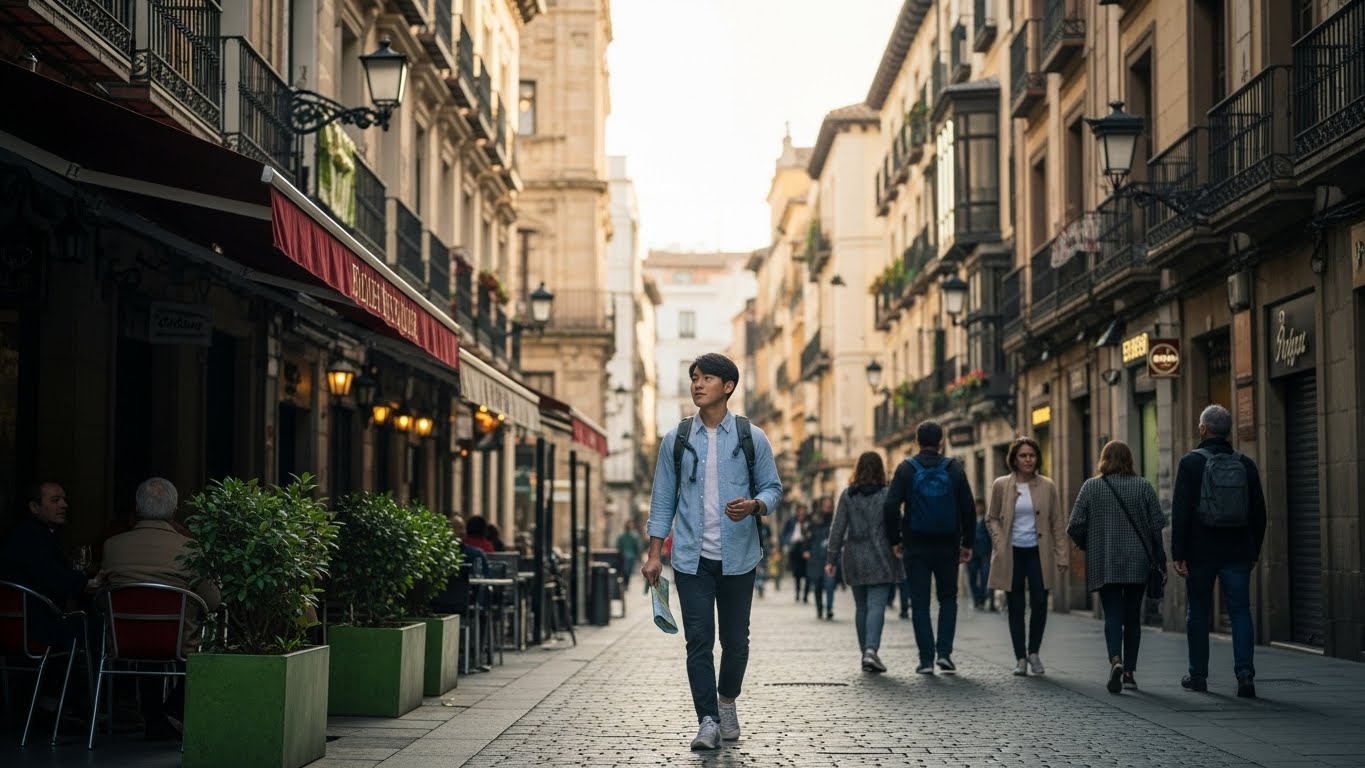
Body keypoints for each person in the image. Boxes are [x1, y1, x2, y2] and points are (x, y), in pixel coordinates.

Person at [642, 353, 782, 751]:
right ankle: (707, 720)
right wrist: (654, 554)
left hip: (739, 557)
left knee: (736, 642)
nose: (697, 384)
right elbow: (663, 499)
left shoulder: (751, 437)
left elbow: (773, 488)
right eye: (694, 378)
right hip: (690, 558)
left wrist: (755, 505)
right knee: (699, 640)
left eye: (706, 378)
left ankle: (727, 701)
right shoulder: (677, 439)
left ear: (728, 386)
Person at [101, 477, 222, 739]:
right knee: (205, 639)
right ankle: (172, 710)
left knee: (145, 626)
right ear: (175, 510)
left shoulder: (112, 547)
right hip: (177, 644)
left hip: (124, 642)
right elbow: (213, 601)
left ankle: (153, 714)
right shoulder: (191, 549)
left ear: (136, 507)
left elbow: (100, 594)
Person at [1172, 404, 1266, 698]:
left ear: (1203, 429)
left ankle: (1198, 676)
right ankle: (1245, 675)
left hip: (1200, 553)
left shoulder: (1190, 463)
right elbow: (1260, 513)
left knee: (1198, 612)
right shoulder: (1246, 463)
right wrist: (1253, 550)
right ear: (1228, 431)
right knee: (1240, 612)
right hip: (1238, 551)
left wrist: (1179, 552)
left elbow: (1181, 512)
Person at [1067, 441, 1166, 694]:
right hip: (1137, 561)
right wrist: (1160, 557)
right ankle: (1130, 673)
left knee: (1112, 614)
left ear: (1103, 459)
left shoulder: (1091, 487)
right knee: (1133, 618)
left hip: (1105, 561)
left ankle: (1115, 661)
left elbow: (1074, 525)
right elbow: (1157, 525)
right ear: (1130, 460)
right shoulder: (1143, 486)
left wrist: (1088, 543)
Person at [883, 420, 975, 675]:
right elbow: (967, 507)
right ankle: (944, 654)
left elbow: (890, 507)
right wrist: (967, 543)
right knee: (948, 599)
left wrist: (895, 540)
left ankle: (925, 660)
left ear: (917, 441)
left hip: (916, 546)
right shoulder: (954, 468)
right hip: (948, 545)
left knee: (920, 603)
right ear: (941, 441)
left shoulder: (906, 469)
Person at [986, 437, 1067, 676]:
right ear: (1014, 459)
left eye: (1032, 455)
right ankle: (1020, 658)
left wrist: (1062, 554)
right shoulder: (1001, 484)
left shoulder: (1048, 486)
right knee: (1015, 605)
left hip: (1038, 552)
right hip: (1012, 552)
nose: (1028, 459)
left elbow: (1057, 522)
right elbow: (992, 518)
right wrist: (1000, 543)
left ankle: (1034, 652)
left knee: (1041, 602)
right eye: (1023, 455)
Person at [824, 452, 901, 673]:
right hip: (882, 555)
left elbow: (837, 529)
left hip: (854, 556)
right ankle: (871, 651)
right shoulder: (888, 494)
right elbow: (896, 524)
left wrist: (831, 558)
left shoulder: (848, 495)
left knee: (862, 607)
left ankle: (866, 653)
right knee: (877, 605)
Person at [805, 501, 834, 620]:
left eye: (829, 506)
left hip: (829, 557)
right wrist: (806, 549)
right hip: (816, 557)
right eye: (825, 505)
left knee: (829, 585)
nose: (827, 508)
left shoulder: (835, 519)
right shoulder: (814, 521)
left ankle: (829, 608)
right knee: (817, 585)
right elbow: (807, 537)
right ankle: (819, 609)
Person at [967, 499, 992, 611]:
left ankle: (982, 599)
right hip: (971, 553)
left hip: (985, 554)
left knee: (985, 577)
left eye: (980, 506)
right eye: (976, 506)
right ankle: (976, 599)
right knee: (972, 577)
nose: (978, 508)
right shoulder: (969, 521)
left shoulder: (987, 521)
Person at [783, 504, 808, 603]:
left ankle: (805, 595)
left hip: (805, 548)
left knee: (807, 573)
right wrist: (785, 544)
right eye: (800, 510)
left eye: (803, 511)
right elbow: (785, 533)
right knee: (796, 573)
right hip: (794, 548)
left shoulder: (809, 521)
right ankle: (797, 593)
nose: (801, 513)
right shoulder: (791, 521)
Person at [615, 520, 643, 590]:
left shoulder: (632, 536)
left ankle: (626, 584)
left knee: (626, 571)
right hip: (627, 556)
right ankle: (626, 584)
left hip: (627, 556)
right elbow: (638, 547)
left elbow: (619, 546)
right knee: (627, 571)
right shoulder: (629, 536)